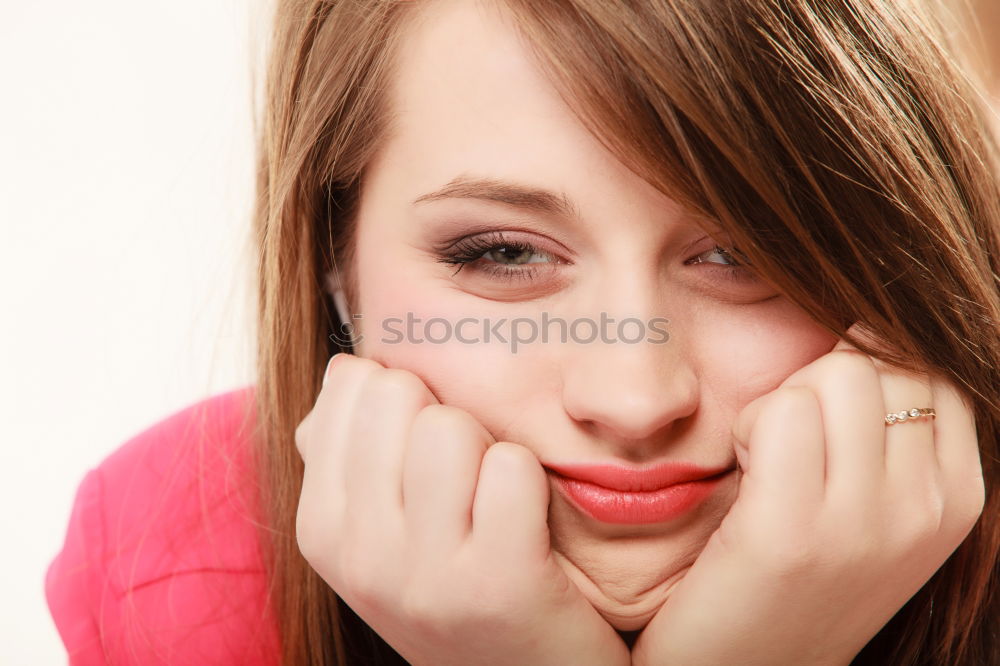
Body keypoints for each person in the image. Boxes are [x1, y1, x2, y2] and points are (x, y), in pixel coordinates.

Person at [46, 0, 999, 664]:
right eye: (502, 253)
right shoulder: (172, 566)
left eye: (747, 253)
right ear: (336, 262)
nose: (634, 398)